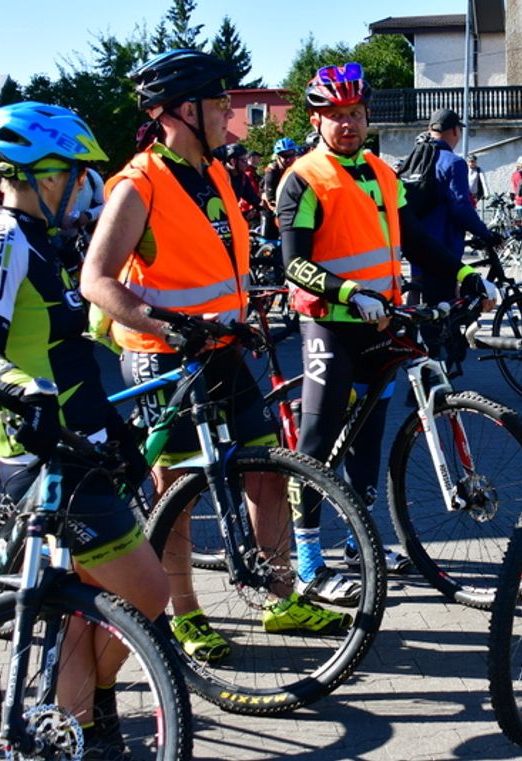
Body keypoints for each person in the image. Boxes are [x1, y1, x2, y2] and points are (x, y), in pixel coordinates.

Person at [81, 49, 348, 662]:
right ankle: (186, 616)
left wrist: (243, 316)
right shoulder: (139, 181)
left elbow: (215, 264)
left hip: (223, 349)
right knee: (178, 492)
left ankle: (282, 597)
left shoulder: (219, 173)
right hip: (162, 355)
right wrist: (170, 328)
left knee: (265, 472)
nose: (230, 110)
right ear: (178, 110)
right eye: (219, 101)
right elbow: (96, 280)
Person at [0, 101, 169, 758]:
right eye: (78, 173)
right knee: (145, 591)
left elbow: (71, 342)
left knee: (88, 599)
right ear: (44, 175)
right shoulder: (1, 240)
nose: (87, 186)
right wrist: (25, 392)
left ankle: (77, 717)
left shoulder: (43, 240)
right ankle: (79, 714)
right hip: (39, 445)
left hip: (82, 436)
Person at [276, 62, 497, 592]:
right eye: (335, 114)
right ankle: (308, 558)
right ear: (316, 118)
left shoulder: (381, 171)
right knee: (318, 435)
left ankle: (360, 538)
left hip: (382, 322)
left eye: (354, 113)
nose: (346, 123)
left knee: (368, 437)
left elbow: (416, 239)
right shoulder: (302, 179)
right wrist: (351, 293)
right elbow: (294, 265)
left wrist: (465, 273)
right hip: (330, 322)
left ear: (367, 115)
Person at [408, 108, 501, 373]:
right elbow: (461, 206)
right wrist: (486, 234)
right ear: (455, 131)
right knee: (441, 305)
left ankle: (444, 351)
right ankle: (431, 366)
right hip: (442, 245)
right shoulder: (453, 162)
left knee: (427, 299)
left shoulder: (416, 157)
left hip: (416, 242)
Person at [260, 137, 298, 240]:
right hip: (270, 208)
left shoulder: (297, 169)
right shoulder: (271, 172)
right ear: (277, 157)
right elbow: (271, 199)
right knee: (267, 239)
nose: (289, 159)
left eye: (291, 155)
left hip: (287, 206)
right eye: (284, 156)